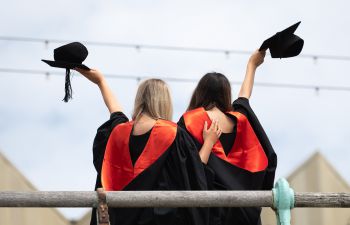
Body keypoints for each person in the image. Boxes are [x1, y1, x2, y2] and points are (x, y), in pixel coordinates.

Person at [75, 68, 222, 225]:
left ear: (139, 100)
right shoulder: (173, 135)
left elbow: (115, 112)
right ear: (165, 103)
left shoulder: (118, 132)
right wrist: (208, 143)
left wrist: (101, 82)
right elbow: (193, 175)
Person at [177, 50, 277, 225]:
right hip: (247, 214)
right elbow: (244, 97)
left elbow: (188, 173)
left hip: (213, 213)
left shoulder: (190, 122)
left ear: (200, 93)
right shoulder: (241, 119)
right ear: (225, 95)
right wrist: (252, 65)